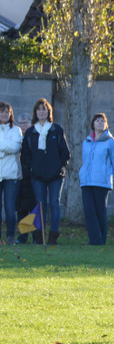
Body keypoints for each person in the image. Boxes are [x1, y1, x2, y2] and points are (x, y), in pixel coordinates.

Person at [21, 98, 71, 245]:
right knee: (40, 206)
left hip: (56, 176)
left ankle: (53, 237)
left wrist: (60, 167)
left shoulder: (56, 129)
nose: (41, 112)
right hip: (37, 176)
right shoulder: (30, 132)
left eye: (44, 109)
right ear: (35, 112)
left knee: (54, 204)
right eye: (39, 109)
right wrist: (32, 167)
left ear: (49, 111)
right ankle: (39, 237)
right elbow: (25, 154)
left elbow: (65, 153)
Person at [80, 113, 114, 246]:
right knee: (89, 210)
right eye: (97, 121)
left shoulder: (110, 141)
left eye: (102, 121)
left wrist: (108, 175)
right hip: (86, 181)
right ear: (93, 124)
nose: (100, 123)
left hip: (101, 182)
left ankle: (100, 240)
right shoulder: (86, 141)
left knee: (100, 211)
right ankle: (94, 240)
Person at [14, 113, 38, 244]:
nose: (23, 126)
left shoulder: (34, 137)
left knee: (33, 208)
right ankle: (22, 236)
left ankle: (35, 236)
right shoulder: (16, 138)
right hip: (18, 176)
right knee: (21, 208)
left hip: (32, 176)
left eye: (25, 122)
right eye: (20, 123)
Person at [0, 101, 22, 244]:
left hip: (12, 175)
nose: (4, 115)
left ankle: (10, 236)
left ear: (11, 114)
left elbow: (15, 148)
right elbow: (10, 147)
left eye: (6, 112)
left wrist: (2, 148)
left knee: (9, 207)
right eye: (1, 112)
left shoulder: (16, 130)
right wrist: (6, 149)